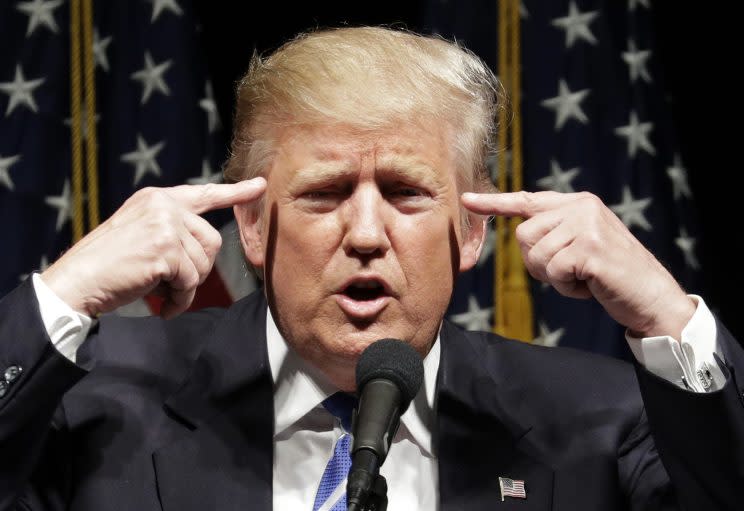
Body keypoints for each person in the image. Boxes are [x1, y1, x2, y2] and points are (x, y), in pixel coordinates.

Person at [0, 26, 742, 511]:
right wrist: (61, 293)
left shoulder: (599, 422)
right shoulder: (97, 402)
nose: (364, 233)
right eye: (324, 192)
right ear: (253, 227)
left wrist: (668, 316)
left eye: (404, 191)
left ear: (472, 228)